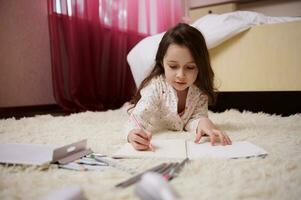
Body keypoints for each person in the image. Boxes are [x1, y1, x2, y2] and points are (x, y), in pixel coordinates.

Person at [125, 23, 232, 151]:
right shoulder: (156, 88)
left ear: (200, 66)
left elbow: (195, 118)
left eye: (190, 67)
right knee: (130, 109)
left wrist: (204, 123)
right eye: (173, 66)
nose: (181, 75)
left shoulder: (199, 91)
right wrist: (133, 134)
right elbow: (136, 119)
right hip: (149, 118)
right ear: (162, 62)